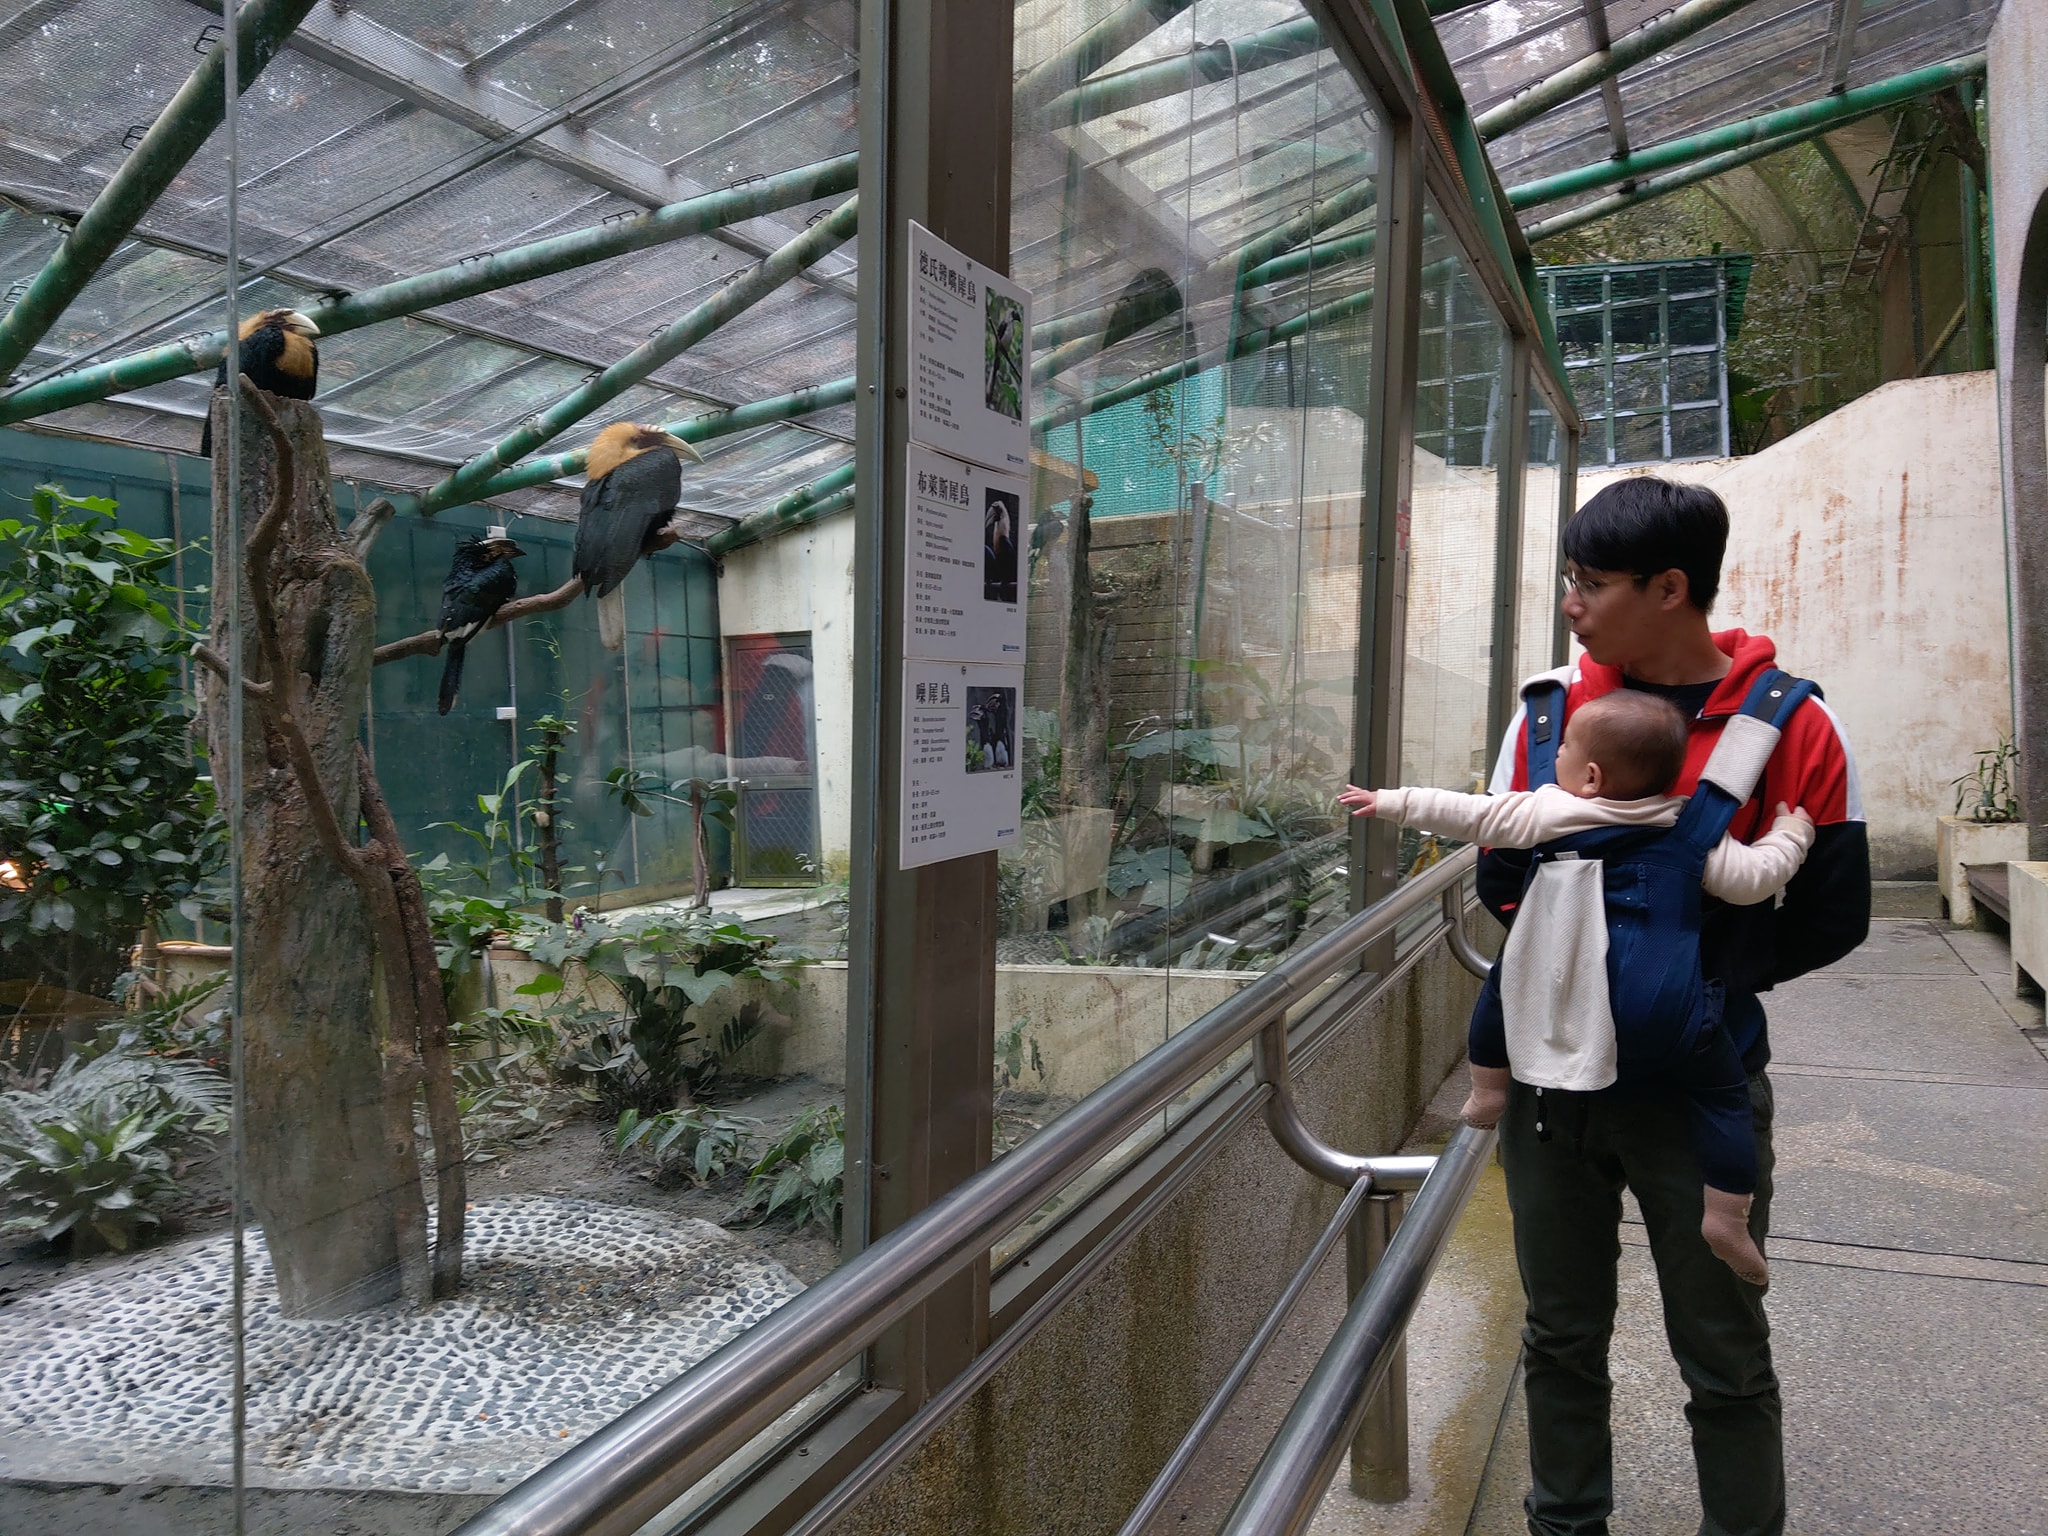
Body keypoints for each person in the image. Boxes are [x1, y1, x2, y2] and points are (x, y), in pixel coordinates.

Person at [1461, 476, 1868, 1536]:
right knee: (1556, 1337)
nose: (1569, 602)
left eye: (1588, 583)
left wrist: (1678, 987)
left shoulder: (1792, 724)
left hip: (1697, 1090)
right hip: (1553, 1094)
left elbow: (1833, 910)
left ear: (1669, 587)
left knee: (1722, 1352)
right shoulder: (1548, 708)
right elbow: (1497, 876)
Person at [1339, 689, 1817, 1286]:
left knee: (1503, 989)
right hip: (1668, 1010)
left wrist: (1388, 800)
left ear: (1589, 777)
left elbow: (1469, 814)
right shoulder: (1692, 832)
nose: (1554, 753)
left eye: (1563, 747)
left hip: (1562, 995)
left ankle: (1487, 1094)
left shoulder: (1551, 813)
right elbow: (1755, 879)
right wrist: (1792, 832)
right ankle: (1725, 1214)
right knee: (1722, 1095)